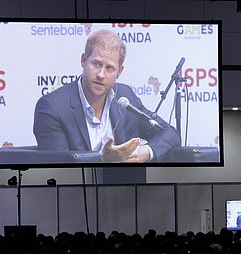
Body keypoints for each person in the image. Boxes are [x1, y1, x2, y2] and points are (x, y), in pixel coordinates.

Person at [33, 30, 181, 163]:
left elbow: (169, 133)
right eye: (96, 64)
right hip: (75, 192)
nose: (101, 75)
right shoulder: (52, 107)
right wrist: (103, 159)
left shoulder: (125, 96)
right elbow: (59, 166)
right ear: (83, 60)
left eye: (109, 68)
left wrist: (144, 153)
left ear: (120, 71)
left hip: (126, 189)